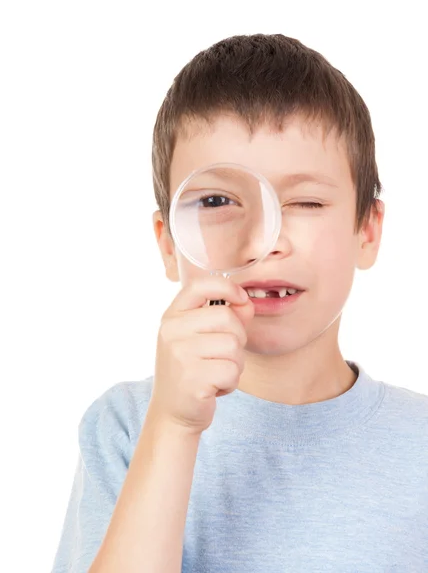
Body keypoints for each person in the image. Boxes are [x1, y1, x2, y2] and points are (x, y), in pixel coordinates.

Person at [51, 34, 428, 573]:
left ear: (367, 231)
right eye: (216, 201)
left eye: (306, 201)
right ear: (167, 242)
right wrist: (175, 427)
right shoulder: (129, 426)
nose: (261, 242)